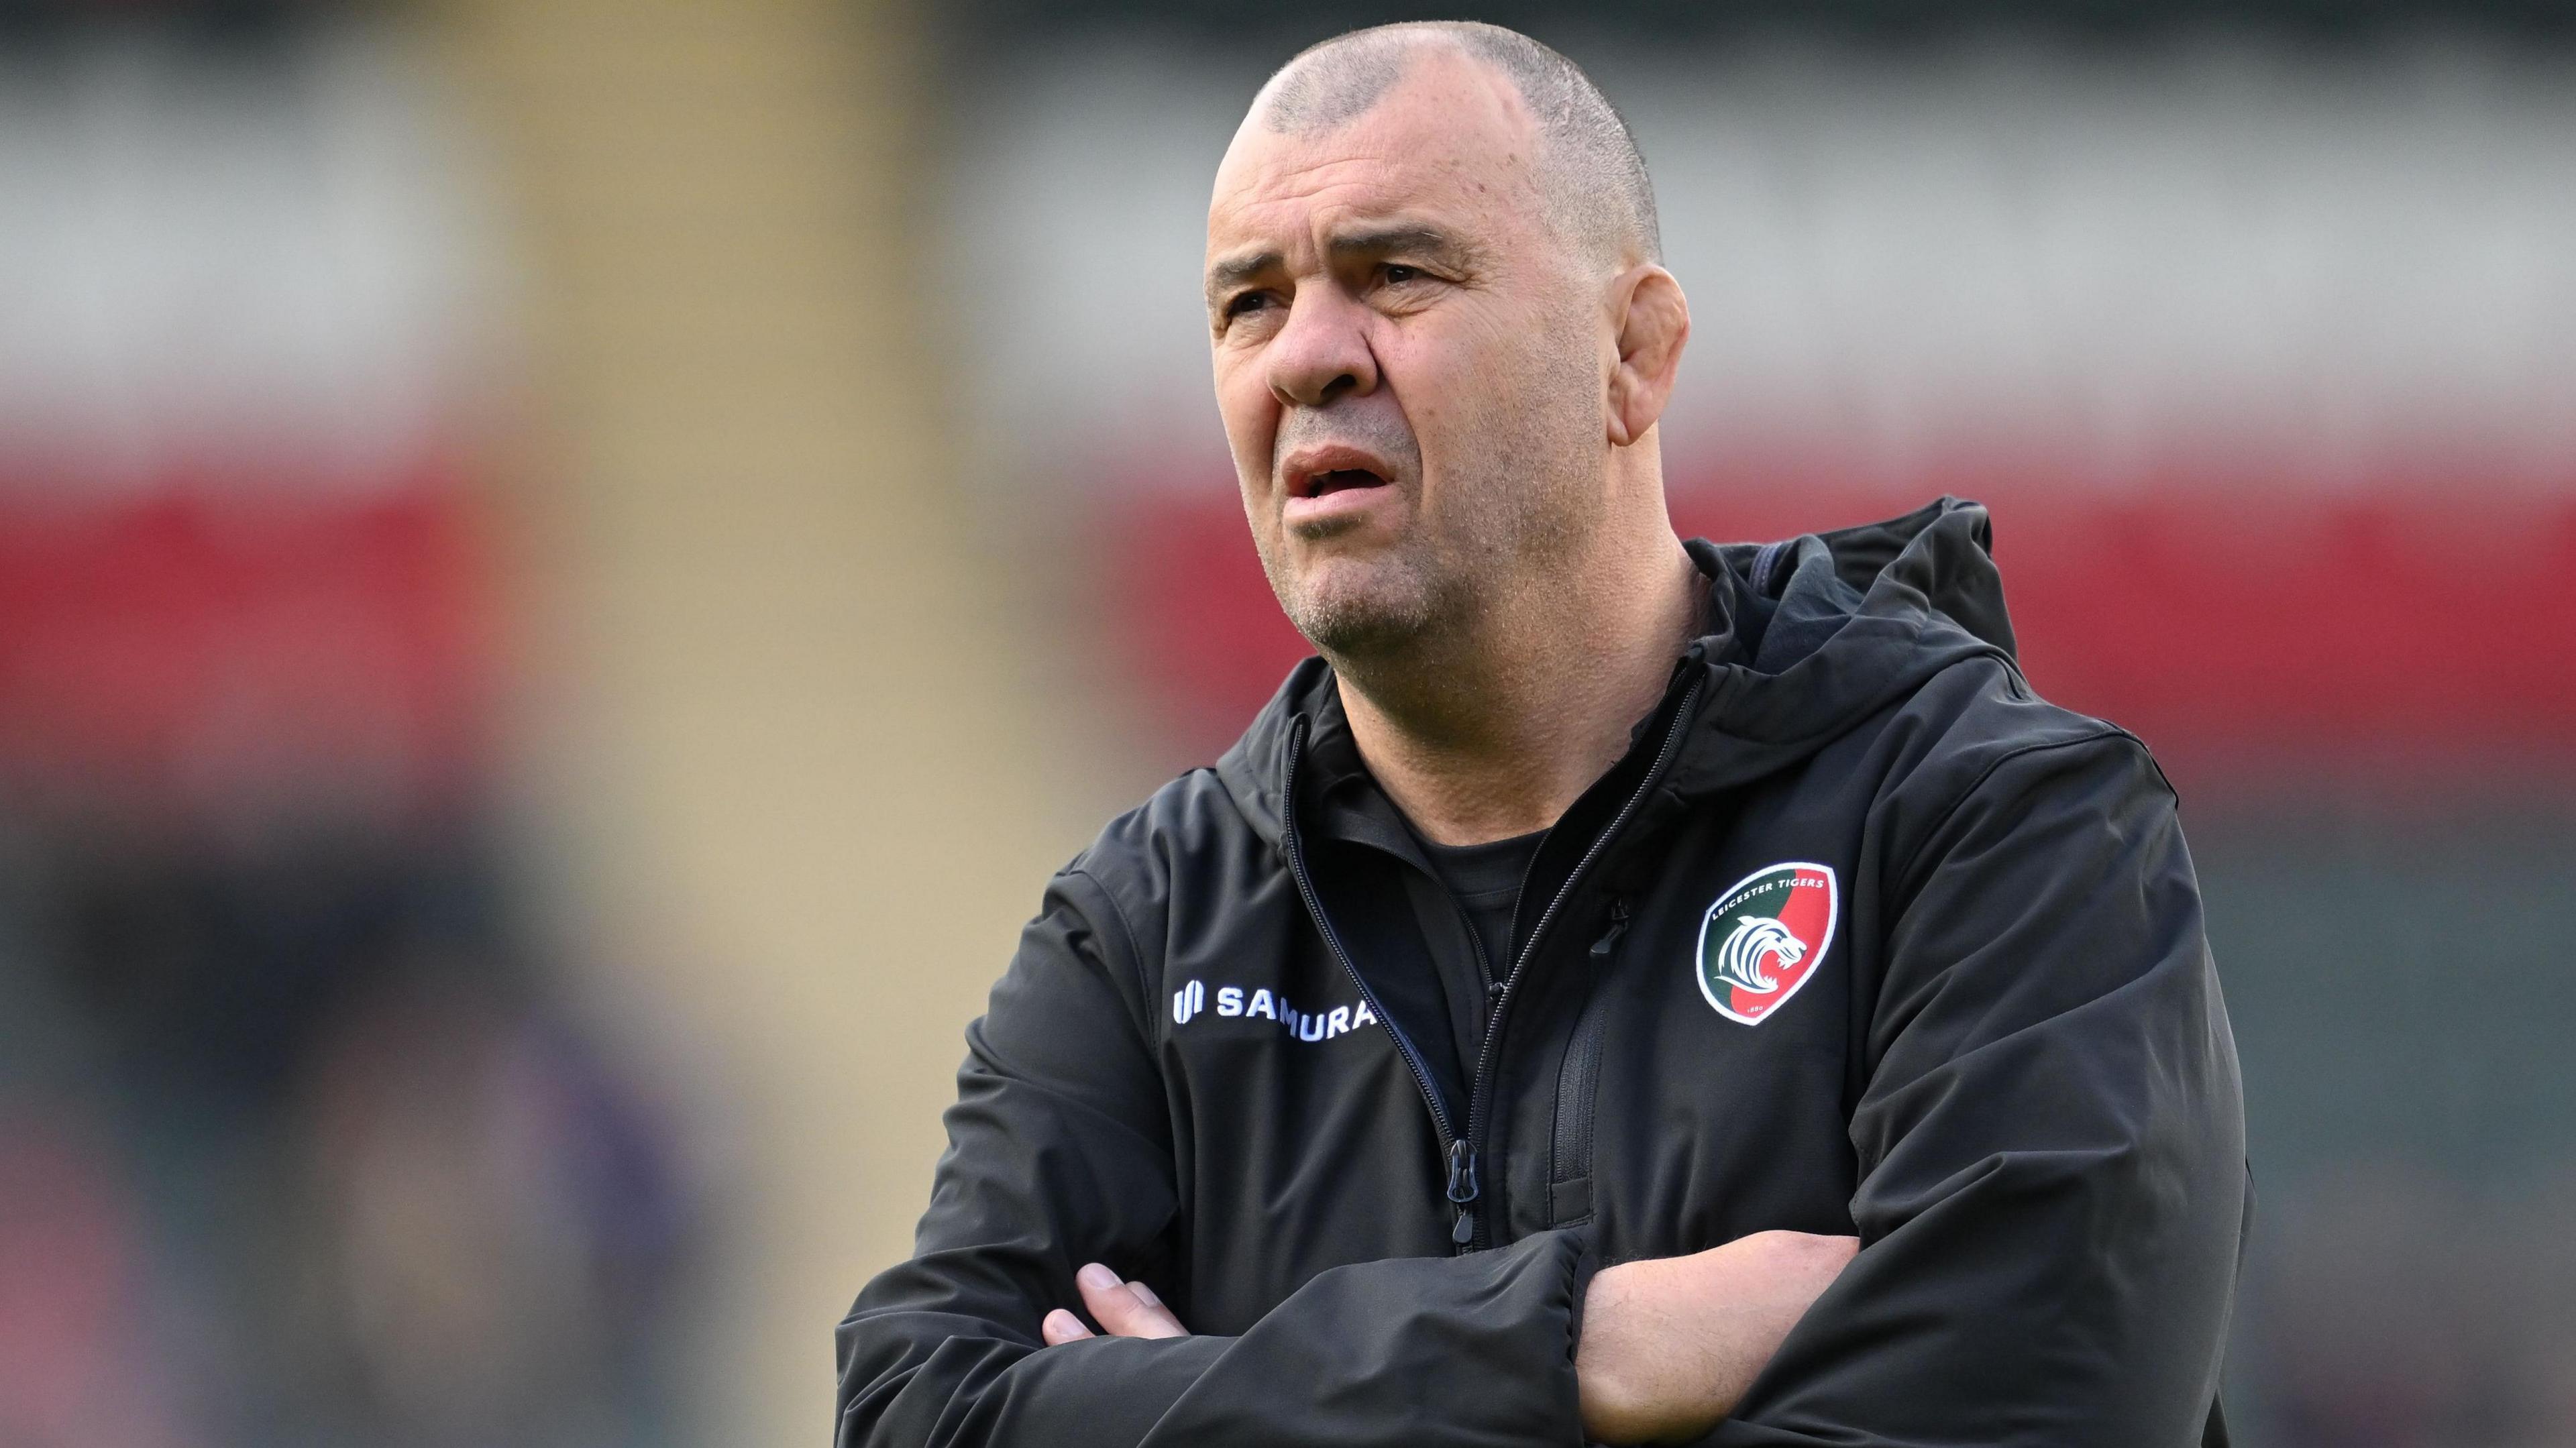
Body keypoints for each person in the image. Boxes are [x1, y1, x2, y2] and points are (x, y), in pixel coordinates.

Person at [837, 21, 2247, 1447]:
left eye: (1397, 275)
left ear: (1631, 355)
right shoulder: (1146, 934)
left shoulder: (2001, 829)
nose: (1308, 358)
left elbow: (2028, 1412)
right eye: (1248, 304)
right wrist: (1583, 1346)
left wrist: (1214, 1396)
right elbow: (914, 1416)